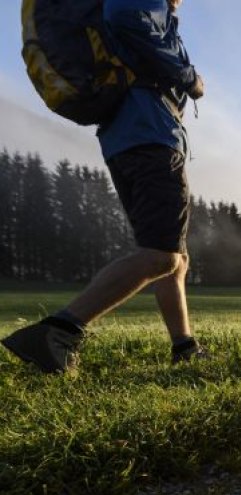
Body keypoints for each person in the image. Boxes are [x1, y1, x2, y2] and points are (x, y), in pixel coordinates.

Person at [2, 0, 206, 374]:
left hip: (125, 136)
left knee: (173, 255)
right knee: (163, 255)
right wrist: (188, 75)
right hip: (151, 132)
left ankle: (185, 346)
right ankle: (60, 330)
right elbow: (126, 15)